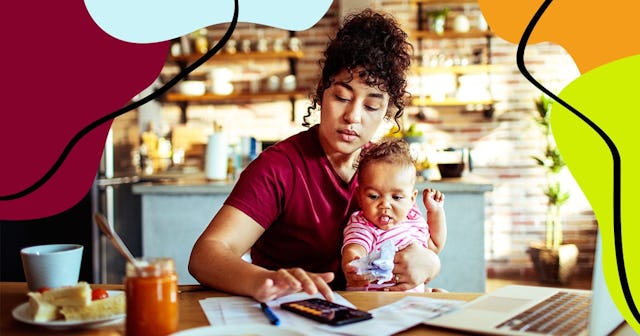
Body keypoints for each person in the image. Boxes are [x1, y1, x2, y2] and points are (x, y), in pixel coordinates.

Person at [188, 9, 442, 303]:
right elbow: (206, 255)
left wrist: (430, 264)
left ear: (386, 111)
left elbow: (415, 241)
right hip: (291, 312)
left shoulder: (385, 169)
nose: (352, 116)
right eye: (342, 97)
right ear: (321, 93)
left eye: (371, 106)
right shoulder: (279, 168)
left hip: (372, 315)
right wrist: (262, 280)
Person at [341, 137, 446, 292]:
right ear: (360, 197)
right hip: (376, 300)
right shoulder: (363, 224)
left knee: (442, 295)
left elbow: (435, 246)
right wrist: (352, 262)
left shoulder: (413, 220)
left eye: (396, 197)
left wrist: (435, 212)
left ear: (411, 199)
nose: (385, 205)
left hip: (411, 300)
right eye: (374, 196)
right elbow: (355, 247)